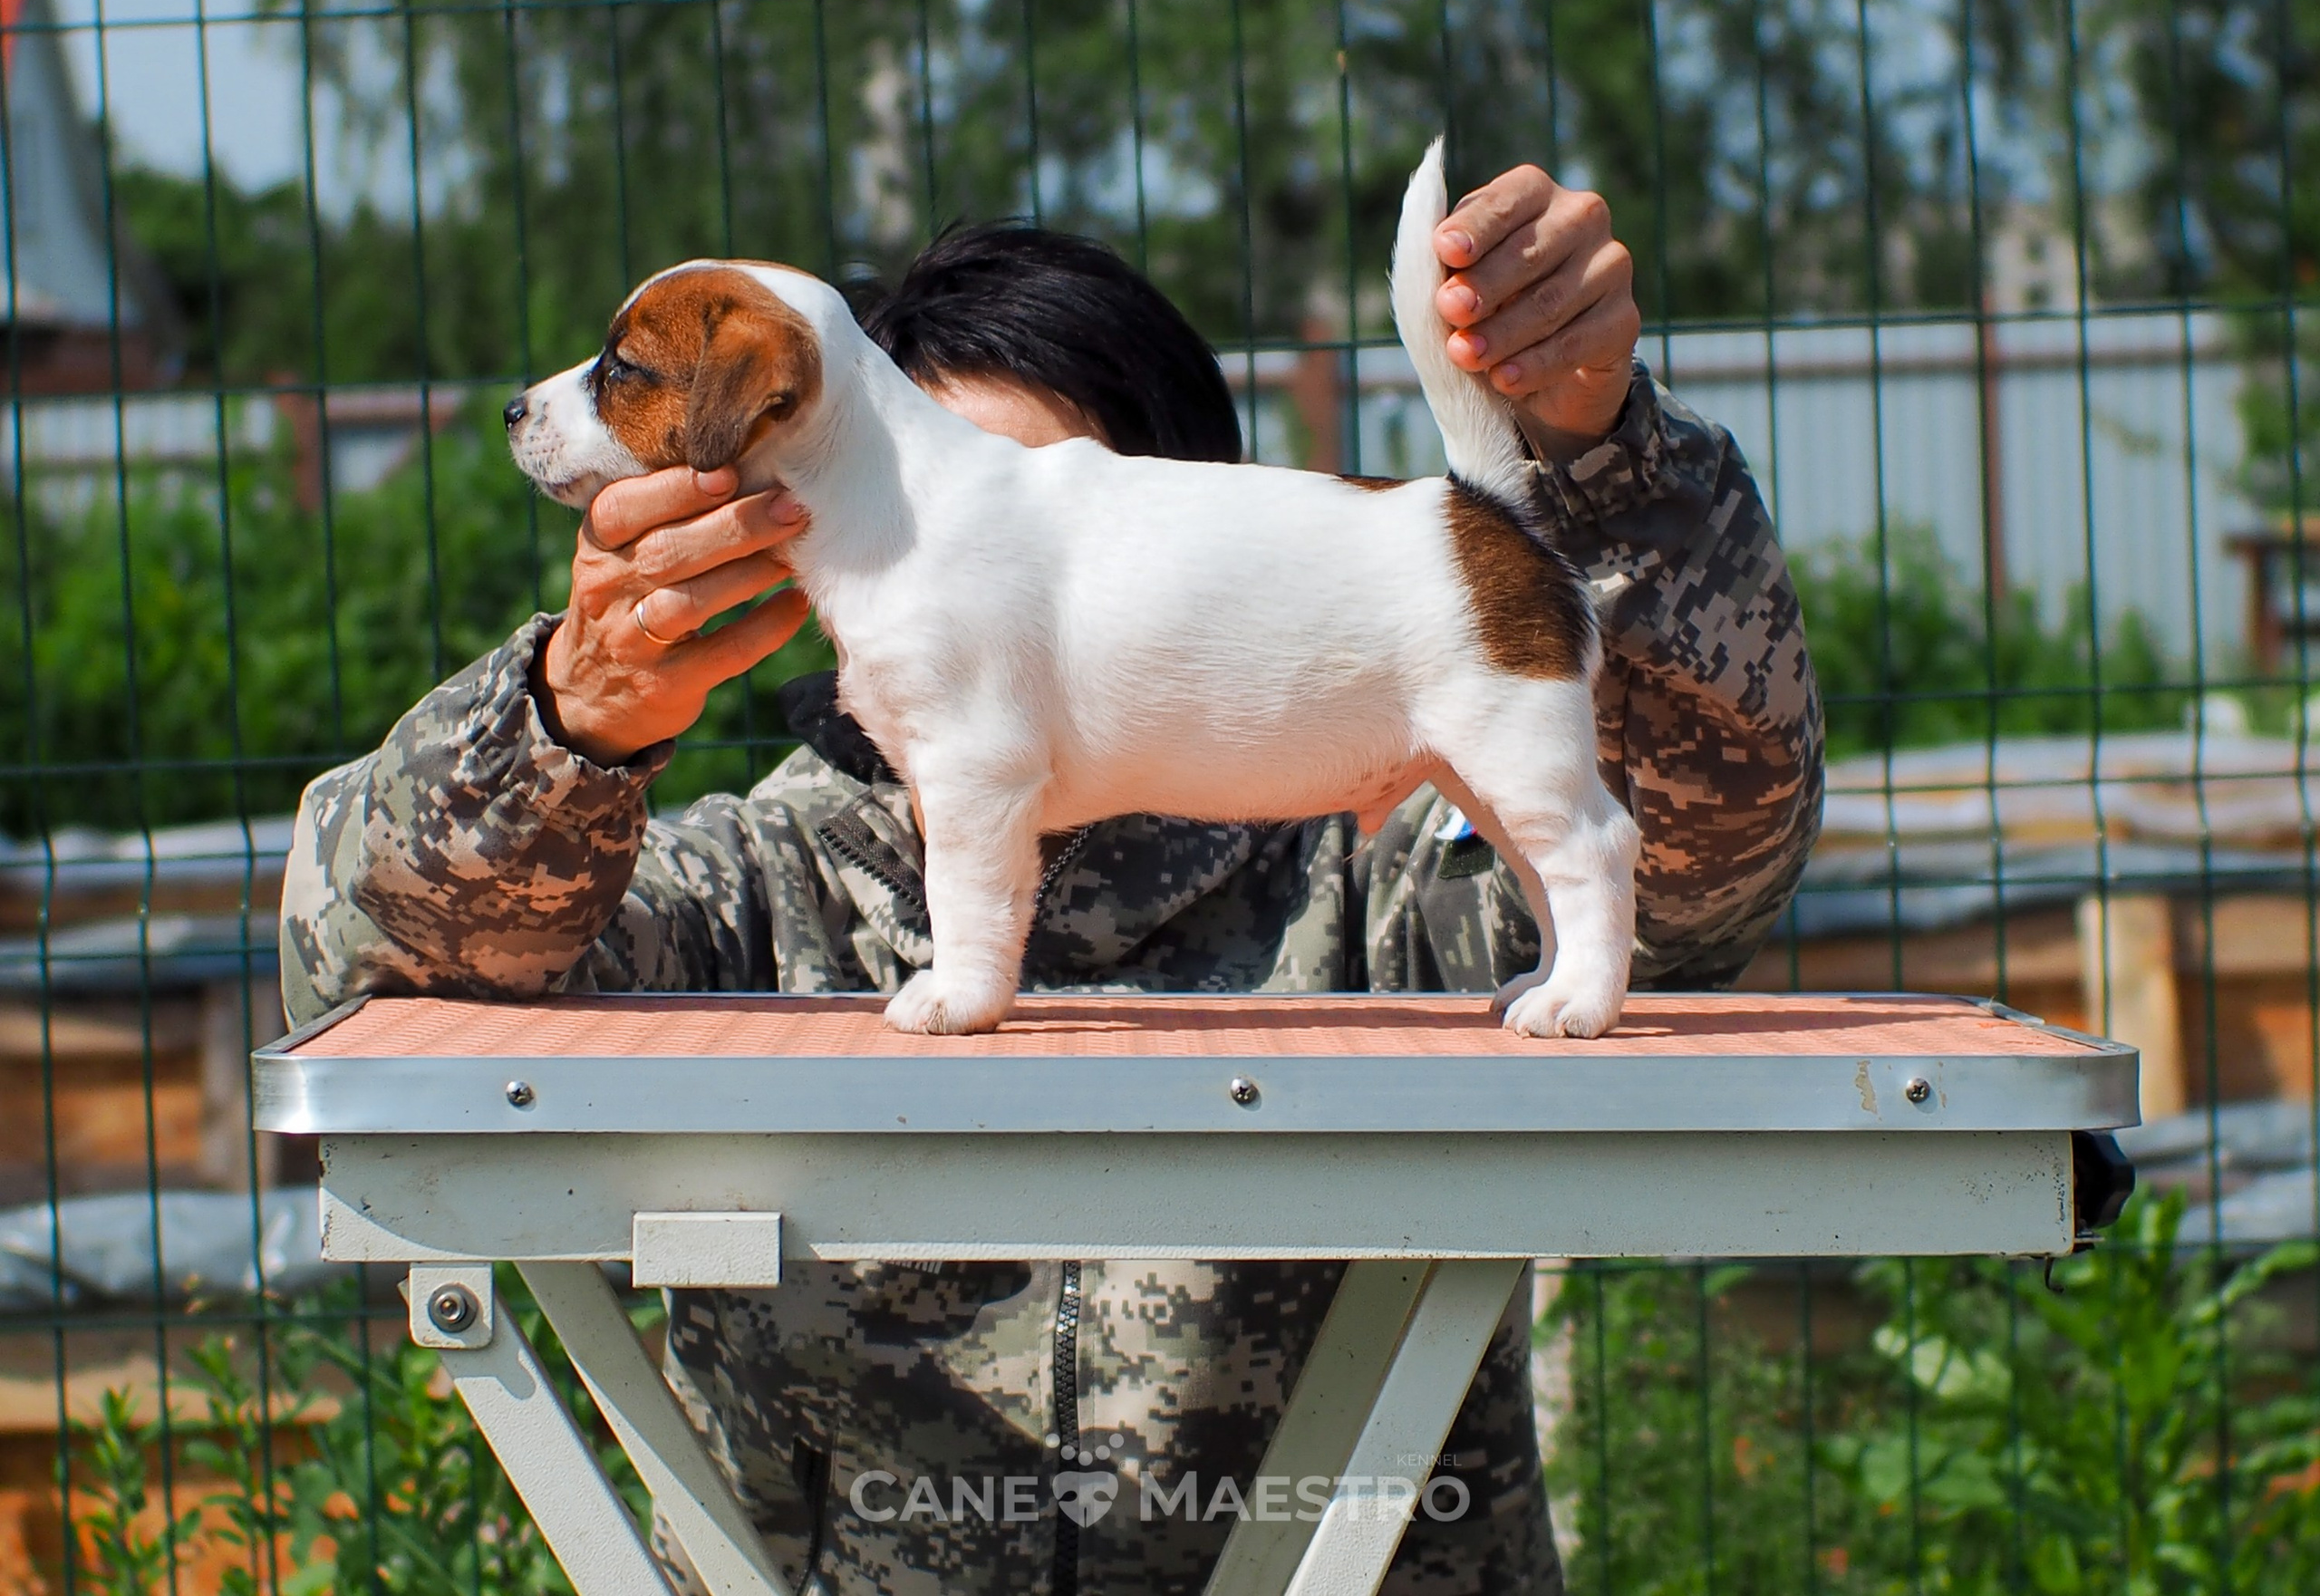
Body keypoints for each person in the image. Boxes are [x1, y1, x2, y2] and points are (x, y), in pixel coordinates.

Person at [280, 164, 1822, 1595]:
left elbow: (1704, 881)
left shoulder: (1374, 893)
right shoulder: (755, 887)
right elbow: (361, 974)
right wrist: (562, 728)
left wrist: (1612, 462)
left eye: (1071, 500)